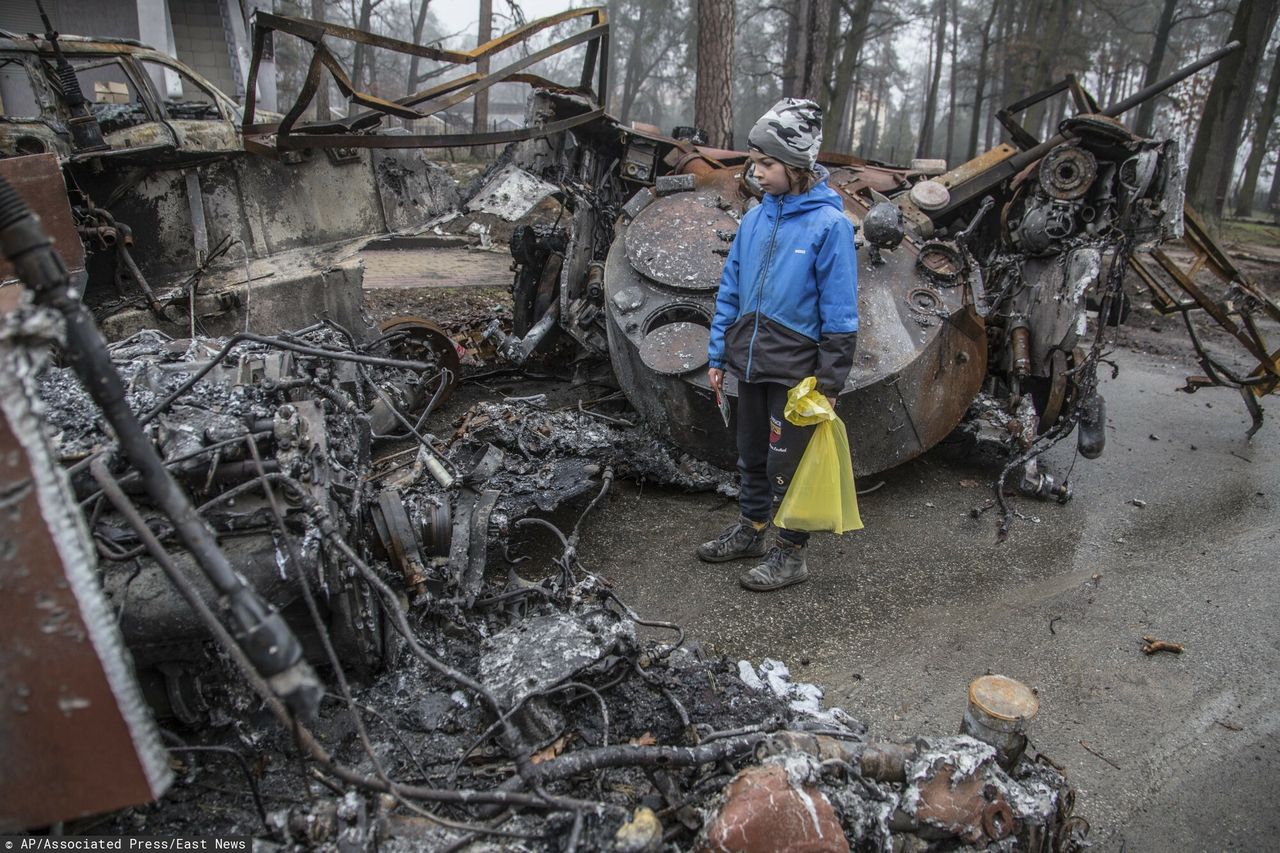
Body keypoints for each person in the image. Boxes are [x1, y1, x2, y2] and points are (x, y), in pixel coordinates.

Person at [697, 97, 859, 592]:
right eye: (755, 161)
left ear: (796, 165)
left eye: (767, 163)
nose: (757, 171)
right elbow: (730, 289)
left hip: (796, 369)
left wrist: (830, 382)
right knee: (750, 453)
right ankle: (752, 529)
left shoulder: (829, 226)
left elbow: (841, 311)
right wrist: (719, 353)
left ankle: (790, 555)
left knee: (787, 463)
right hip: (749, 358)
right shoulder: (754, 220)